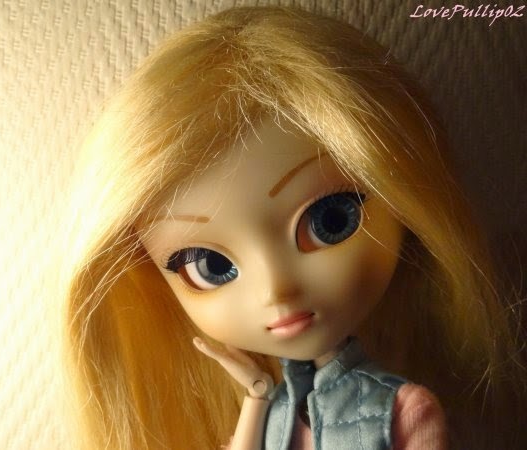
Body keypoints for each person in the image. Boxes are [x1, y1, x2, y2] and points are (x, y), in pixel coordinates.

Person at [60, 6, 526, 449]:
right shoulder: (279, 410)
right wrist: (257, 396)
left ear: (407, 201)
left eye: (329, 221)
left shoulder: (401, 411)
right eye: (210, 265)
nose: (276, 290)